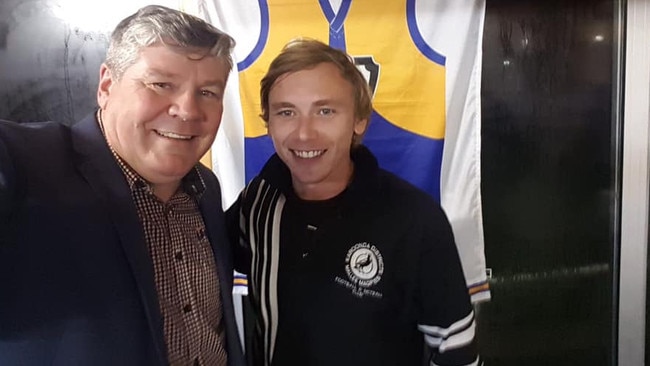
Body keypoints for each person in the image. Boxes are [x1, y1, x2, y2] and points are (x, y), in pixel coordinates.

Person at [0, 5, 244, 366]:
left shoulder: (204, 186)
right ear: (107, 86)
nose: (188, 110)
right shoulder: (30, 162)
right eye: (161, 84)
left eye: (208, 92)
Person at [228, 39, 479, 366]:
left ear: (359, 120)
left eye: (325, 111)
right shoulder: (257, 201)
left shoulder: (415, 219)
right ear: (269, 123)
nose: (304, 134)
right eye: (286, 112)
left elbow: (456, 351)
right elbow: (197, 266)